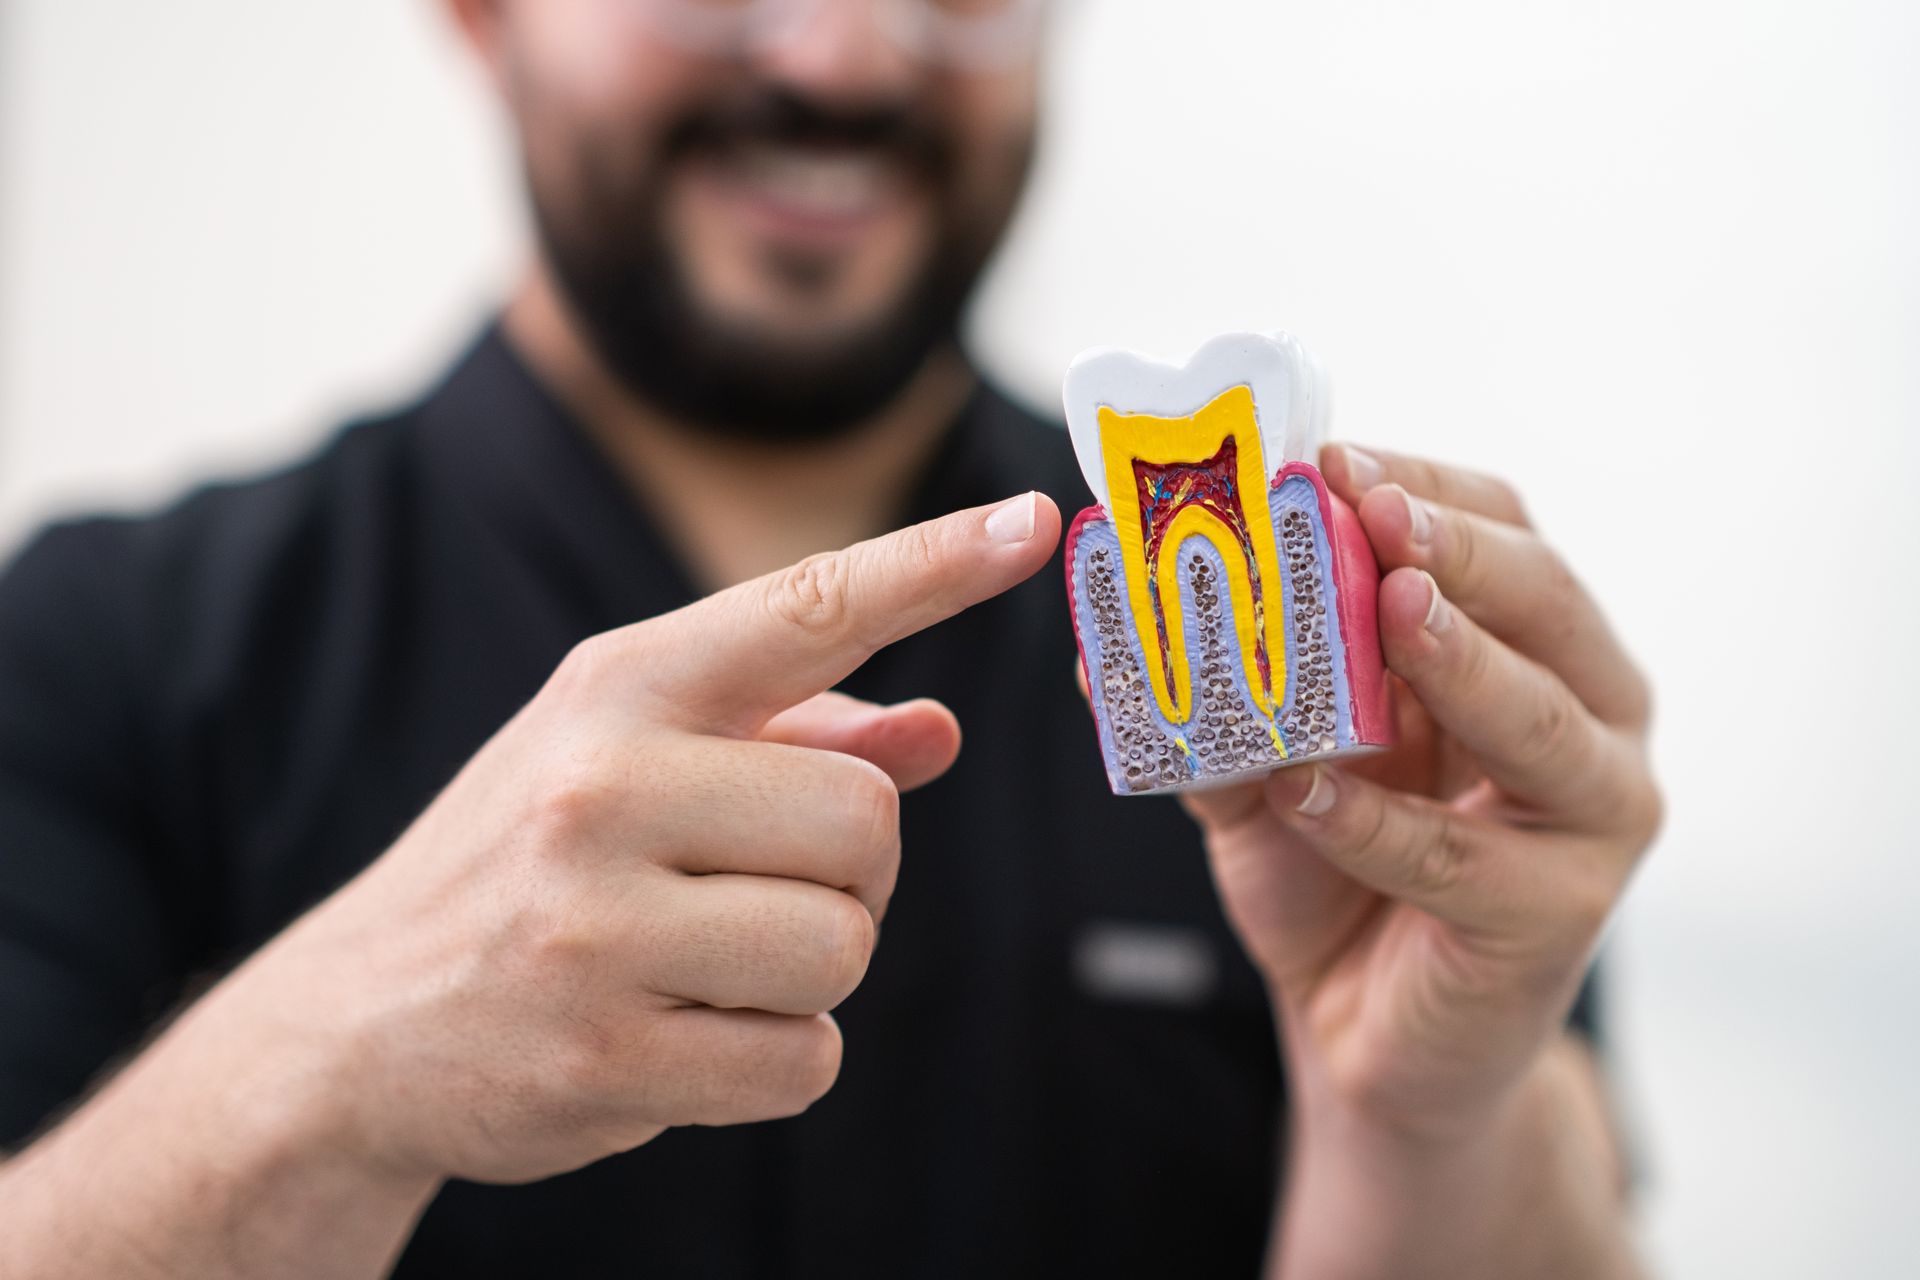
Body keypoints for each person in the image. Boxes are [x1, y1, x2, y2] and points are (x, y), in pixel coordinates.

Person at [0, 1, 1660, 1275]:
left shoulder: (1354, 716)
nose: (848, 58)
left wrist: (1421, 1121)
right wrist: (331, 1067)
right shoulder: (102, 649)